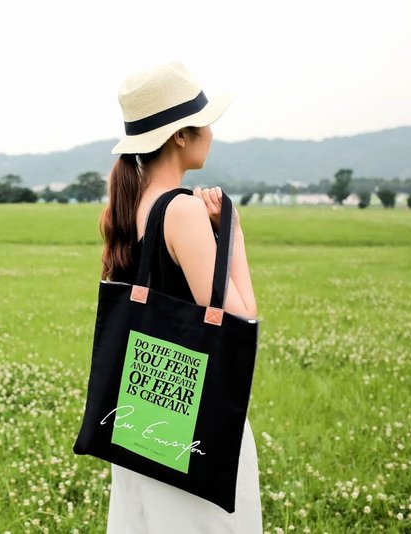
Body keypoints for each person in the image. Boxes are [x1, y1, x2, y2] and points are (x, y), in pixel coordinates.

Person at [99, 61, 262, 533]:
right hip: (189, 415)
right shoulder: (184, 210)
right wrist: (233, 233)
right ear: (180, 136)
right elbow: (241, 318)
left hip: (142, 411)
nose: (211, 130)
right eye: (204, 121)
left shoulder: (130, 205)